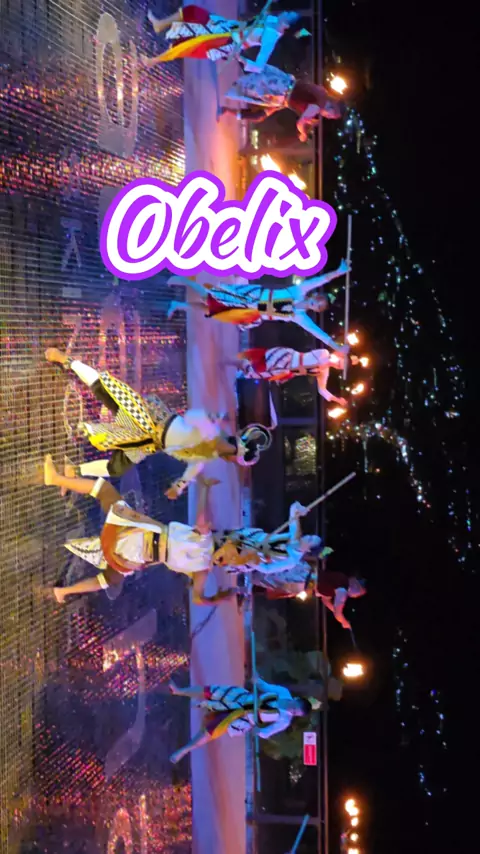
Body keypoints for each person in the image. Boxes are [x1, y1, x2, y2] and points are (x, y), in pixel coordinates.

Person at [45, 348, 268, 499]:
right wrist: (238, 448)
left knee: (117, 467)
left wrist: (178, 488)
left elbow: (193, 470)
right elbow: (215, 442)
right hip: (150, 422)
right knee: (106, 389)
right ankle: (65, 359)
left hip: (149, 441)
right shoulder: (216, 439)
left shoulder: (209, 452)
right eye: (235, 460)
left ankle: (73, 470)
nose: (232, 463)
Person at [42, 461, 237, 605]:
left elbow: (201, 517)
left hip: (139, 540)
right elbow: (197, 598)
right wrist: (218, 598)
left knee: (105, 490)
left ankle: (57, 479)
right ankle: (63, 592)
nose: (229, 559)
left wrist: (205, 488)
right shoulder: (203, 570)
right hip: (139, 556)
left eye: (232, 558)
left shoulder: (205, 543)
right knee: (109, 578)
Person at [167, 261, 350, 354]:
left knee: (212, 310)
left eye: (318, 308)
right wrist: (338, 272)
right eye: (318, 301)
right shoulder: (299, 291)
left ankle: (179, 305)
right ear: (314, 296)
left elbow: (318, 333)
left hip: (251, 313)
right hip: (250, 296)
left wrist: (337, 347)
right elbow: (320, 279)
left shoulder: (299, 316)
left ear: (316, 311)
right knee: (211, 297)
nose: (315, 305)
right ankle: (184, 280)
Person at [168, 676, 320, 763]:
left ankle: (184, 751)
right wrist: (256, 679)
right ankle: (179, 691)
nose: (292, 711)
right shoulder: (283, 692)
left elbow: (267, 732)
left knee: (212, 730)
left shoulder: (284, 721)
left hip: (242, 718)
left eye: (295, 713)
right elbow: (265, 686)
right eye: (294, 707)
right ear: (296, 699)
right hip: (242, 698)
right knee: (211, 691)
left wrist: (258, 730)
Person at [144, 5, 303, 70]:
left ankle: (153, 61)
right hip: (226, 26)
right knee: (193, 12)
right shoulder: (272, 19)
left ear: (286, 25)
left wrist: (241, 59)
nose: (285, 12)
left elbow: (259, 66)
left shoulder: (271, 39)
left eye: (288, 14)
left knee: (190, 44)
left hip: (226, 42)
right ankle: (160, 24)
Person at [222, 64, 346, 142]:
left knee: (260, 114)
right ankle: (227, 107)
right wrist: (303, 133)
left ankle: (227, 109)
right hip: (281, 91)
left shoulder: (321, 95)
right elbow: (300, 122)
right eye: (331, 115)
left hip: (283, 92)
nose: (328, 117)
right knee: (252, 86)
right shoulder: (318, 105)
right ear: (331, 108)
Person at [211, 500, 324, 574]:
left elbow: (268, 569)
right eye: (310, 536)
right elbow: (293, 508)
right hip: (249, 538)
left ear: (308, 550)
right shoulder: (295, 535)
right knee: (213, 539)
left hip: (247, 557)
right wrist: (301, 509)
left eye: (310, 539)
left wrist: (250, 560)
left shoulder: (291, 561)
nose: (307, 536)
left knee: (214, 557)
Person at [228, 346, 364, 406]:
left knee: (257, 374)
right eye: (340, 362)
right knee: (261, 366)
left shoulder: (324, 372)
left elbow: (322, 390)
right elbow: (320, 361)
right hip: (288, 357)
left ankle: (239, 367)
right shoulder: (324, 353)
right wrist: (335, 356)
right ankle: (234, 362)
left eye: (340, 366)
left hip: (287, 371)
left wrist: (336, 399)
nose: (338, 365)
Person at [253, 566, 366, 630]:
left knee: (275, 586)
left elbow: (326, 600)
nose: (355, 596)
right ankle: (250, 579)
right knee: (274, 583)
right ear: (355, 586)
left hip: (305, 580)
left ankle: (251, 584)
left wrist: (337, 612)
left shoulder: (338, 582)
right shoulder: (343, 587)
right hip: (303, 581)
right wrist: (344, 622)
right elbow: (338, 612)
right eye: (358, 593)